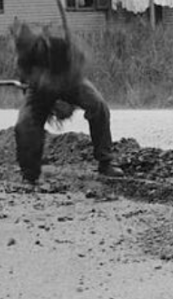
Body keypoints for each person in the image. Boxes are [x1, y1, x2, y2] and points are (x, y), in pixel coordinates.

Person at [12, 18, 123, 184]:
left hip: (69, 81)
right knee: (24, 124)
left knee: (98, 106)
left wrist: (67, 102)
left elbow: (79, 66)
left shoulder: (59, 45)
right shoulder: (23, 58)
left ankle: (105, 162)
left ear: (40, 43)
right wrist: (50, 106)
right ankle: (30, 174)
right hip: (40, 91)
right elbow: (25, 85)